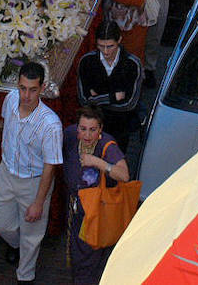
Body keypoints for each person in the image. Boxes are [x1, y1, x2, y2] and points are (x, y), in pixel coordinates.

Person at [0, 61, 62, 285]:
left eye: (32, 89)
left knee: (32, 235)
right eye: (22, 88)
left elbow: (50, 166)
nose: (26, 95)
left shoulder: (51, 125)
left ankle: (25, 276)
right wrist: (0, 126)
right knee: (0, 222)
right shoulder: (10, 99)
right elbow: (7, 120)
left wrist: (39, 202)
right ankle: (14, 244)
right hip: (6, 172)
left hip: (34, 181)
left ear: (42, 88)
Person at [61, 106, 131, 285]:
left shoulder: (107, 145)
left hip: (95, 214)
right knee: (78, 258)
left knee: (87, 262)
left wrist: (99, 163)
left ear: (100, 129)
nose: (87, 135)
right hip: (75, 211)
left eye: (92, 130)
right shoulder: (69, 136)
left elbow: (124, 175)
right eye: (83, 129)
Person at [76, 22, 143, 150]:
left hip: (120, 128)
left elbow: (130, 104)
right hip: (92, 129)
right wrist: (113, 97)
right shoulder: (86, 62)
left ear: (119, 40)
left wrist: (96, 98)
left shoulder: (132, 64)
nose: (106, 51)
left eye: (110, 46)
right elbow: (84, 100)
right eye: (101, 46)